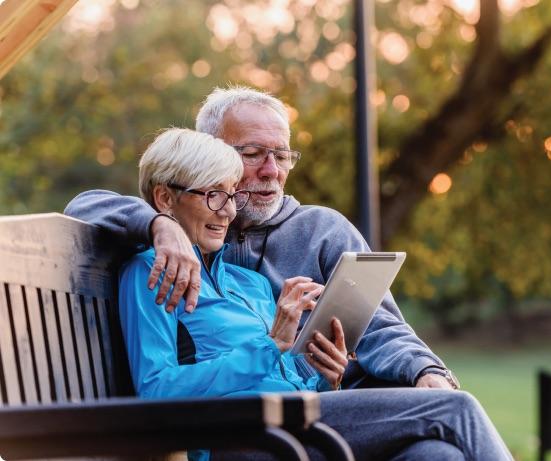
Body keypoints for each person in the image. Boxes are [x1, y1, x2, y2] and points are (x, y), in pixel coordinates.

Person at [119, 127, 513, 461]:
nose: (227, 212)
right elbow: (158, 391)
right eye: (212, 195)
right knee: (454, 408)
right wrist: (270, 344)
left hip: (293, 423)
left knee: (435, 455)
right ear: (165, 199)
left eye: (230, 195)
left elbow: (285, 376)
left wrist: (325, 377)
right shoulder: (149, 273)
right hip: (241, 438)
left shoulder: (248, 283)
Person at [65, 85, 457, 390]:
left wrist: (424, 371)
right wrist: (159, 225)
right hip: (256, 429)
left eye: (282, 155)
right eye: (252, 153)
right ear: (214, 157)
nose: (271, 170)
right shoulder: (181, 228)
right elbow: (86, 205)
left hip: (333, 401)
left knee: (440, 434)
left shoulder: (320, 231)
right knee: (447, 422)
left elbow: (380, 326)